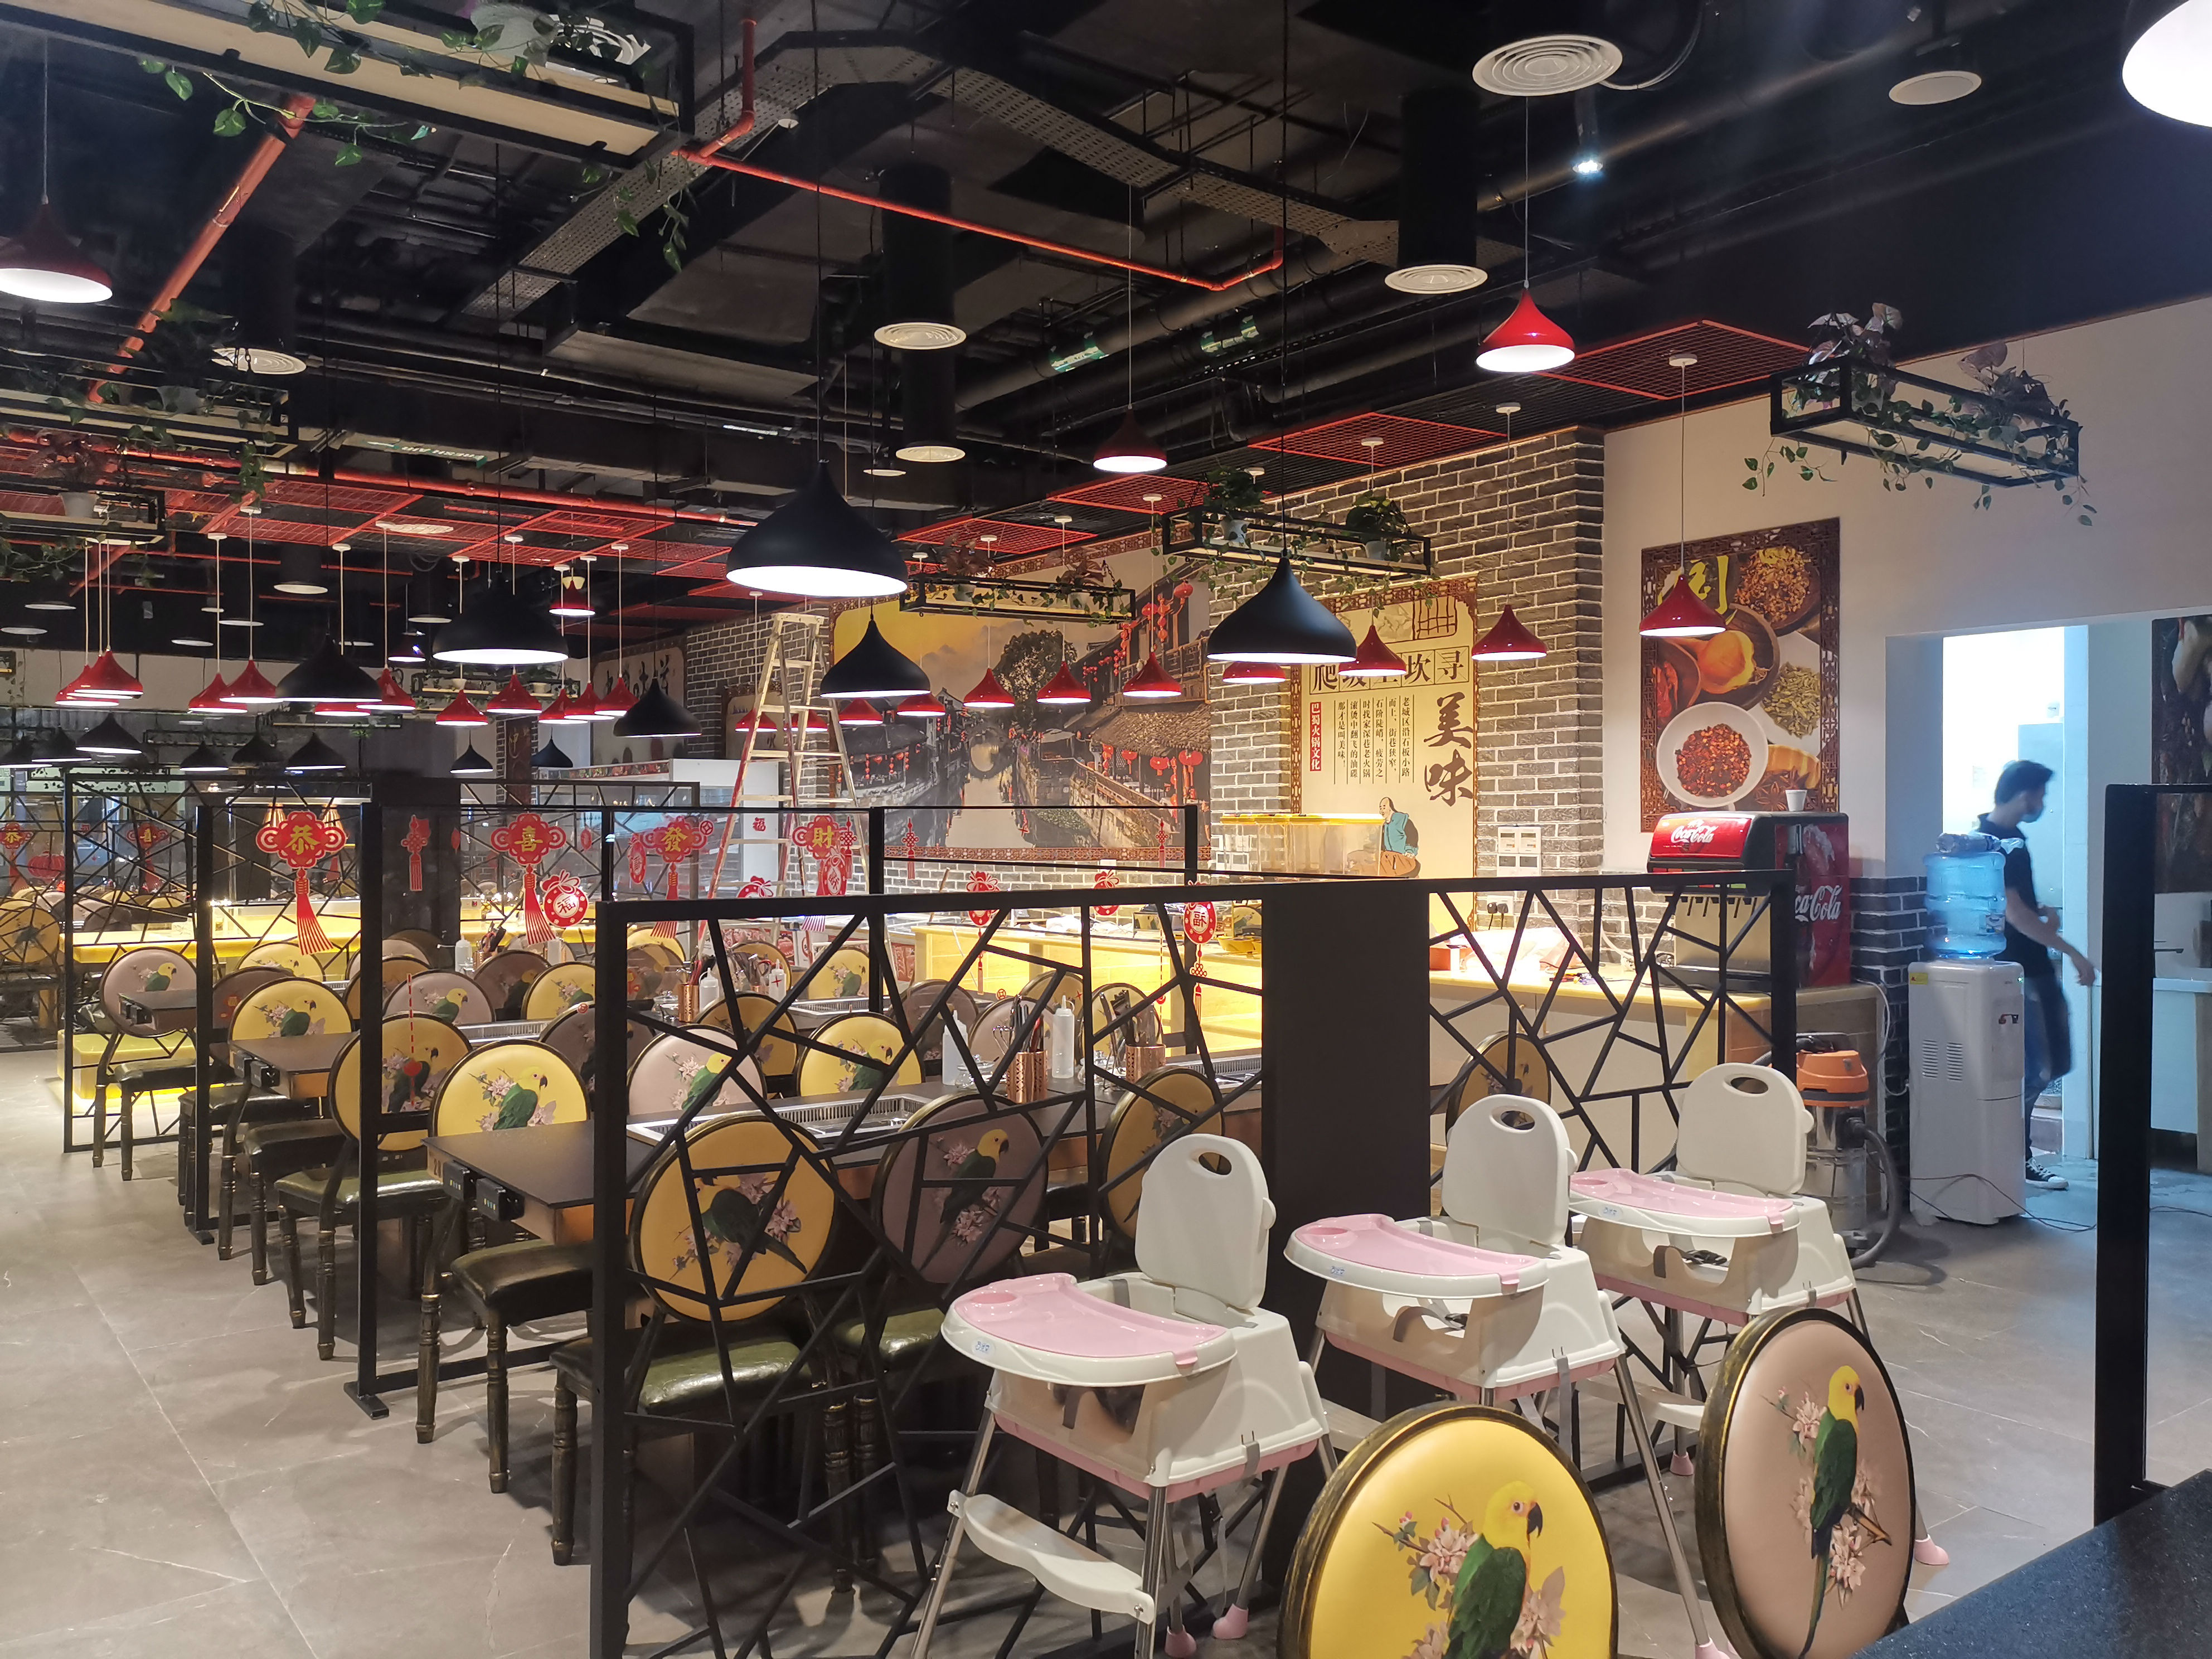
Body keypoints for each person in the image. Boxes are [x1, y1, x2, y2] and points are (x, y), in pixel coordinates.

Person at [1977, 760, 2095, 1191]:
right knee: (2035, 1068)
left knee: (2049, 1063)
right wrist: (2074, 953)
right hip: (2020, 970)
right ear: (2024, 793)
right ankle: (2019, 1159)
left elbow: (2016, 907)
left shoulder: (2008, 839)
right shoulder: (1999, 842)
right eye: (2041, 794)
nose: (2043, 803)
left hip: (2029, 965)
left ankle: (2014, 1157)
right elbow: (2014, 914)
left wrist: (2043, 916)